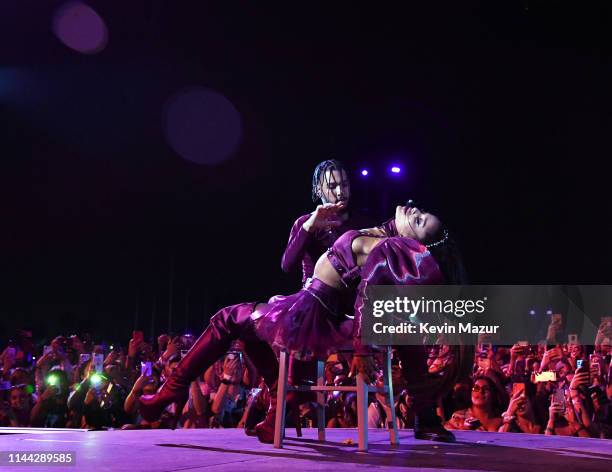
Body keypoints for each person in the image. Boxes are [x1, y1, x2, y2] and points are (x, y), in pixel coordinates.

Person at [139, 204, 452, 443]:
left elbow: (369, 296)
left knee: (229, 318)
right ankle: (279, 399)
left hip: (314, 312)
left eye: (421, 221)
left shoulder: (384, 248)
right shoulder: (379, 237)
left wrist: (361, 347)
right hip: (308, 305)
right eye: (422, 212)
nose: (416, 211)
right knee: (243, 326)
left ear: (411, 239)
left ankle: (178, 390)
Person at [281, 159, 374, 286]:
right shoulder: (305, 222)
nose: (340, 192)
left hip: (356, 298)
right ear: (318, 190)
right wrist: (308, 228)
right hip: (318, 298)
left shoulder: (364, 221)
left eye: (344, 185)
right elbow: (288, 267)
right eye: (332, 186)